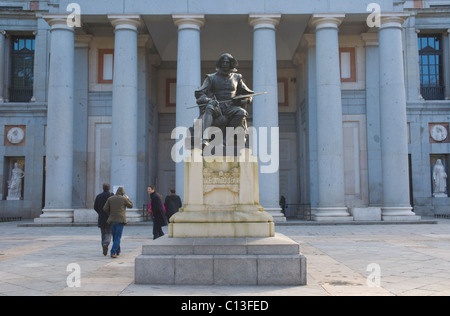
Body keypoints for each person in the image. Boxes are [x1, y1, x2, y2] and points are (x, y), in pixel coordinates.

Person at [195, 53, 255, 148]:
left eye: (227, 62)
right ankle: (205, 139)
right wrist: (208, 100)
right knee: (209, 108)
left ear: (231, 63)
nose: (225, 64)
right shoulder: (211, 78)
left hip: (231, 108)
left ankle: (226, 139)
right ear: (220, 63)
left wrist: (246, 100)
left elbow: (249, 94)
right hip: (216, 107)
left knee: (241, 112)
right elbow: (200, 94)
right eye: (223, 62)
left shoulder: (237, 78)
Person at [103, 187, 133, 258]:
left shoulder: (110, 198)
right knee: (118, 237)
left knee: (114, 236)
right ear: (122, 193)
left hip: (112, 220)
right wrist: (128, 198)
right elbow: (131, 206)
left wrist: (111, 212)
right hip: (120, 220)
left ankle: (117, 250)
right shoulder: (124, 199)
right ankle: (113, 252)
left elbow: (105, 208)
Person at [94, 183, 114, 256]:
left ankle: (103, 246)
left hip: (101, 217)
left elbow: (95, 207)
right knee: (109, 232)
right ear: (109, 188)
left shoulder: (99, 196)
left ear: (103, 188)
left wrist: (100, 212)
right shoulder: (111, 195)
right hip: (109, 217)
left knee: (103, 233)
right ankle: (106, 244)